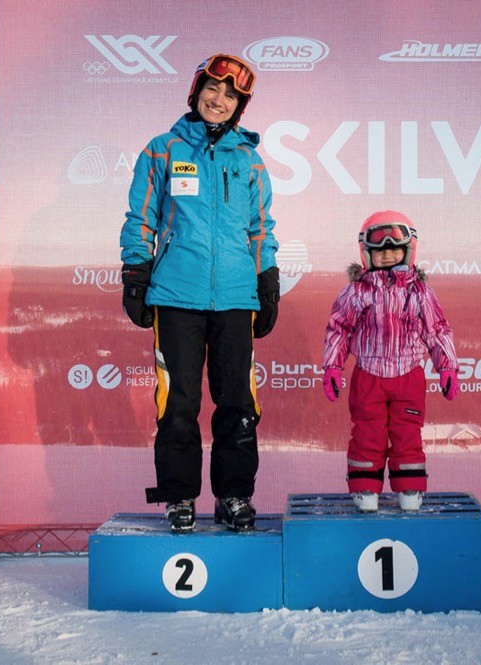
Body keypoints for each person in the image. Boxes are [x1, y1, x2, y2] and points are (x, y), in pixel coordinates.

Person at [120, 54, 279, 533]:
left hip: (236, 298)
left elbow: (260, 227)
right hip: (176, 296)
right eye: (213, 89)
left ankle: (234, 495)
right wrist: (136, 272)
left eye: (231, 96)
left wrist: (267, 281)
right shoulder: (162, 149)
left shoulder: (249, 159)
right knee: (177, 403)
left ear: (240, 107)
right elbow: (141, 217)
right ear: (196, 92)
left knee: (238, 404)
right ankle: (179, 497)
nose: (219, 100)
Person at [321, 211, 458, 512]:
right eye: (380, 251)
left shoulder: (419, 292)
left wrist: (447, 366)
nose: (387, 255)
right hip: (368, 376)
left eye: (395, 249)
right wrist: (332, 365)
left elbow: (436, 329)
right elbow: (339, 328)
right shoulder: (357, 291)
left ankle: (410, 485)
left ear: (408, 251)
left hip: (408, 376)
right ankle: (364, 486)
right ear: (367, 254)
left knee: (407, 431)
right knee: (367, 432)